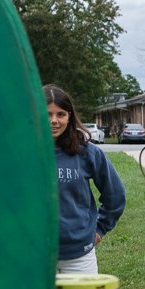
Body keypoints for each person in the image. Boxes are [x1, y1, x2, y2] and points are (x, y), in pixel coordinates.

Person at [45, 85, 126, 274]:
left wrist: (100, 228)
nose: (54, 121)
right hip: (35, 256)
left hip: (79, 256)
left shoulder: (87, 152)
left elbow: (115, 194)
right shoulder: (22, 153)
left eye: (61, 114)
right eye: (47, 114)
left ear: (70, 116)